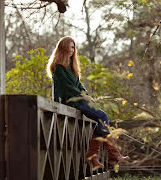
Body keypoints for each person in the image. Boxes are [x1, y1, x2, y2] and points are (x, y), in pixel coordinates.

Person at [47, 36, 129, 170]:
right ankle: (111, 154)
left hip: (79, 100)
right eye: (70, 47)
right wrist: (84, 97)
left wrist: (86, 94)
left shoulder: (71, 67)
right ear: (63, 48)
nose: (72, 50)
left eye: (74, 47)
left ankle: (93, 155)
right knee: (102, 117)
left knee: (101, 120)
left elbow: (78, 84)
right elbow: (68, 88)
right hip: (70, 102)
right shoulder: (58, 67)